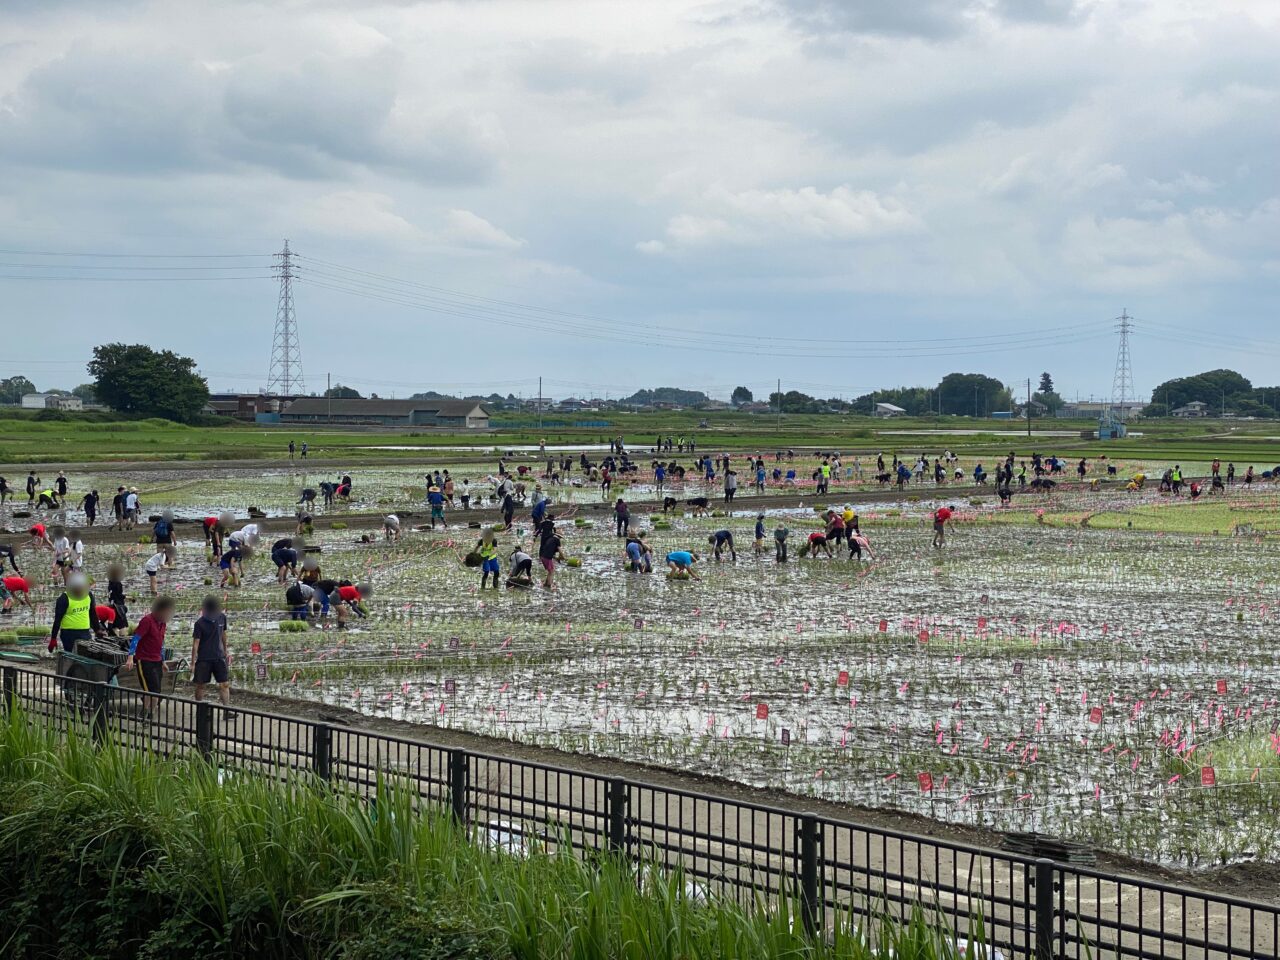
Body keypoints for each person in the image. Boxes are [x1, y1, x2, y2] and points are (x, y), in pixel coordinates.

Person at [124, 596, 175, 717]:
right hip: (144, 659)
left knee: (156, 688)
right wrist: (130, 657)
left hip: (157, 659)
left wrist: (163, 661)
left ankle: (151, 712)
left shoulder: (163, 624)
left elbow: (161, 642)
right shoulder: (147, 621)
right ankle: (145, 711)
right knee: (148, 688)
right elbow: (136, 638)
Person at [47, 573, 103, 653]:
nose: (79, 589)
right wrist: (53, 638)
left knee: (85, 654)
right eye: (77, 587)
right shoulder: (64, 599)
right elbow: (57, 620)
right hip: (68, 633)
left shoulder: (89, 596)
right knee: (72, 655)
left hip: (85, 632)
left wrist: (97, 629)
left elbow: (93, 614)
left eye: (81, 587)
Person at [538, 524, 565, 590]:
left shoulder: (550, 539)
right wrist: (563, 557)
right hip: (547, 557)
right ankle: (549, 586)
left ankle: (546, 584)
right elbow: (560, 551)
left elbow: (550, 552)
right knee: (551, 571)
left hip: (543, 556)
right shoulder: (557, 540)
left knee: (550, 570)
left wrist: (557, 558)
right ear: (559, 536)